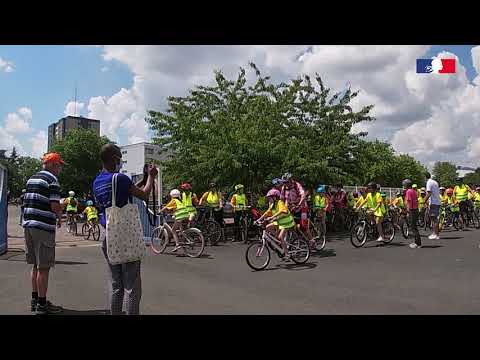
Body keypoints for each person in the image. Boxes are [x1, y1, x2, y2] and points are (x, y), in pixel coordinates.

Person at [93, 143, 158, 315]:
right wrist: (151, 177)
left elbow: (123, 191)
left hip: (109, 237)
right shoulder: (120, 178)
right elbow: (143, 194)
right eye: (120, 158)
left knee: (116, 284)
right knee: (132, 286)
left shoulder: (97, 181)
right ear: (115, 158)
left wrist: (143, 178)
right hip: (125, 236)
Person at [23, 152, 65, 315]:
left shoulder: (31, 179)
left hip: (29, 225)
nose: (60, 168)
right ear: (53, 165)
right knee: (44, 268)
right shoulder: (52, 181)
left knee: (35, 265)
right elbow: (54, 206)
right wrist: (60, 211)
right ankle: (42, 305)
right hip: (42, 228)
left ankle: (35, 299)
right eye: (59, 165)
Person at [256, 188, 295, 261]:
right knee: (267, 227)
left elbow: (282, 211)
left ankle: (287, 254)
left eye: (270, 198)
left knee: (281, 237)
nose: (269, 200)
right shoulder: (273, 204)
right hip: (279, 221)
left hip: (287, 222)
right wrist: (258, 220)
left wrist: (272, 217)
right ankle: (280, 242)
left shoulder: (280, 202)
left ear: (275, 197)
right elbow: (267, 213)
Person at [160, 189, 190, 253]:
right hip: (186, 214)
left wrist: (160, 211)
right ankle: (185, 240)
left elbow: (166, 207)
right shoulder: (179, 201)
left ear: (172, 195)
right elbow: (175, 209)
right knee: (181, 229)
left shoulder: (173, 200)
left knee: (173, 230)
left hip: (180, 215)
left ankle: (177, 244)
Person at [403, 179, 422, 249]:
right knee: (414, 227)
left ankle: (418, 243)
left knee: (413, 227)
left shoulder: (408, 191)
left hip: (412, 210)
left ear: (406, 185)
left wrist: (408, 211)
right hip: (416, 209)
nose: (403, 185)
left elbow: (409, 202)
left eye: (404, 184)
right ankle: (417, 242)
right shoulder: (414, 191)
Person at [423, 172, 441, 240]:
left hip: (434, 203)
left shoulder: (429, 183)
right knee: (434, 219)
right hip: (436, 202)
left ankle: (435, 234)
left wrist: (423, 201)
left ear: (425, 177)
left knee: (434, 219)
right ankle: (435, 233)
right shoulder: (434, 182)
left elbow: (429, 193)